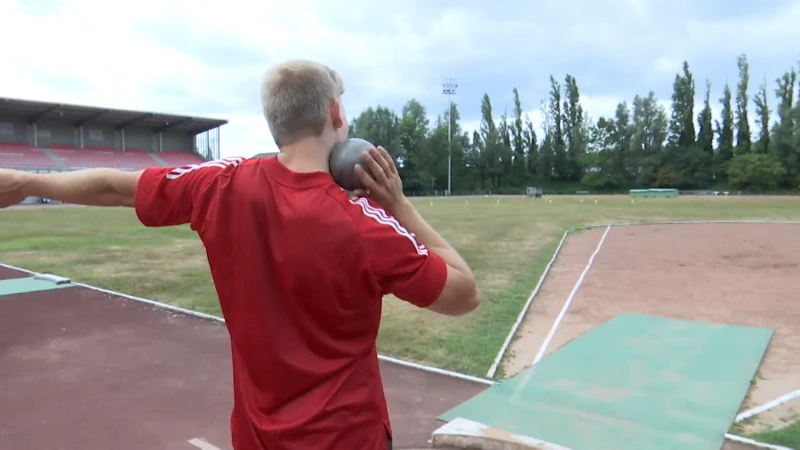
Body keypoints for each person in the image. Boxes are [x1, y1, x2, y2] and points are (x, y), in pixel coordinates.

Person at [0, 59, 480, 450]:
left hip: (255, 437)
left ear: (276, 126)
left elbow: (112, 186)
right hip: (347, 438)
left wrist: (25, 182)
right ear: (336, 115)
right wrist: (398, 204)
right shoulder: (366, 224)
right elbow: (464, 294)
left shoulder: (221, 184)